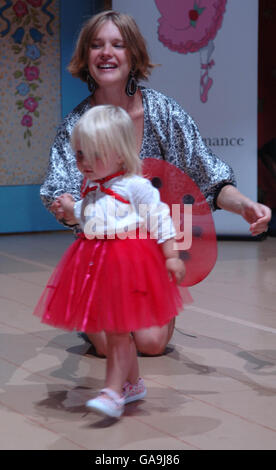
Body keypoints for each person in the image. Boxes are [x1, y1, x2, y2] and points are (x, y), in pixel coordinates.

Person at [41, 10, 271, 357]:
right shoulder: (77, 124)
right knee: (107, 350)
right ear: (85, 57)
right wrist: (71, 211)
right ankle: (97, 309)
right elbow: (63, 192)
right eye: (96, 45)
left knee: (150, 345)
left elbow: (209, 176)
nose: (106, 52)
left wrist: (245, 206)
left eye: (117, 45)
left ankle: (145, 309)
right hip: (100, 257)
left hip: (149, 257)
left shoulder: (165, 114)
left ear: (132, 55)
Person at [34, 105, 189, 418]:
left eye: (95, 154)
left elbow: (160, 218)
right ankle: (133, 385)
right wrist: (71, 209)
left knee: (118, 331)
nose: (85, 163)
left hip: (128, 263)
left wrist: (171, 255)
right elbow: (91, 215)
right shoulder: (92, 186)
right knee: (115, 327)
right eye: (80, 155)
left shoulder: (135, 186)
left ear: (120, 153)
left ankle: (113, 391)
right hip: (96, 263)